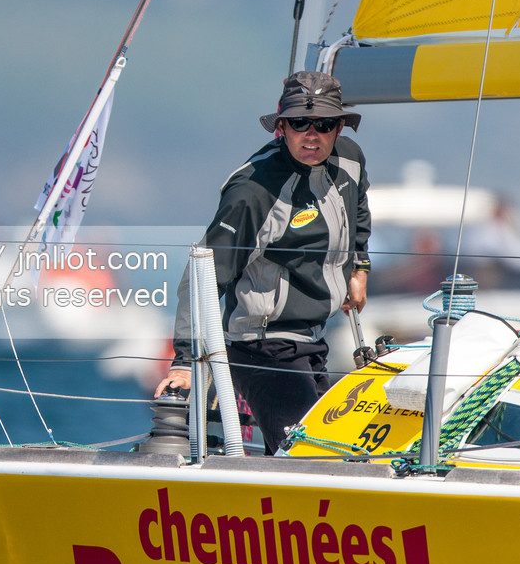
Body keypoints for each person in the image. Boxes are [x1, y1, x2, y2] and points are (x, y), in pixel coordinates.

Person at [155, 71, 371, 453]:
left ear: (338, 128)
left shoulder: (350, 161)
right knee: (309, 453)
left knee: (349, 451)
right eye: (300, 123)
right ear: (282, 127)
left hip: (312, 339)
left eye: (323, 124)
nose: (312, 134)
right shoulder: (253, 190)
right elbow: (202, 274)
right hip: (260, 344)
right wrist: (185, 361)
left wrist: (359, 268)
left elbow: (359, 211)